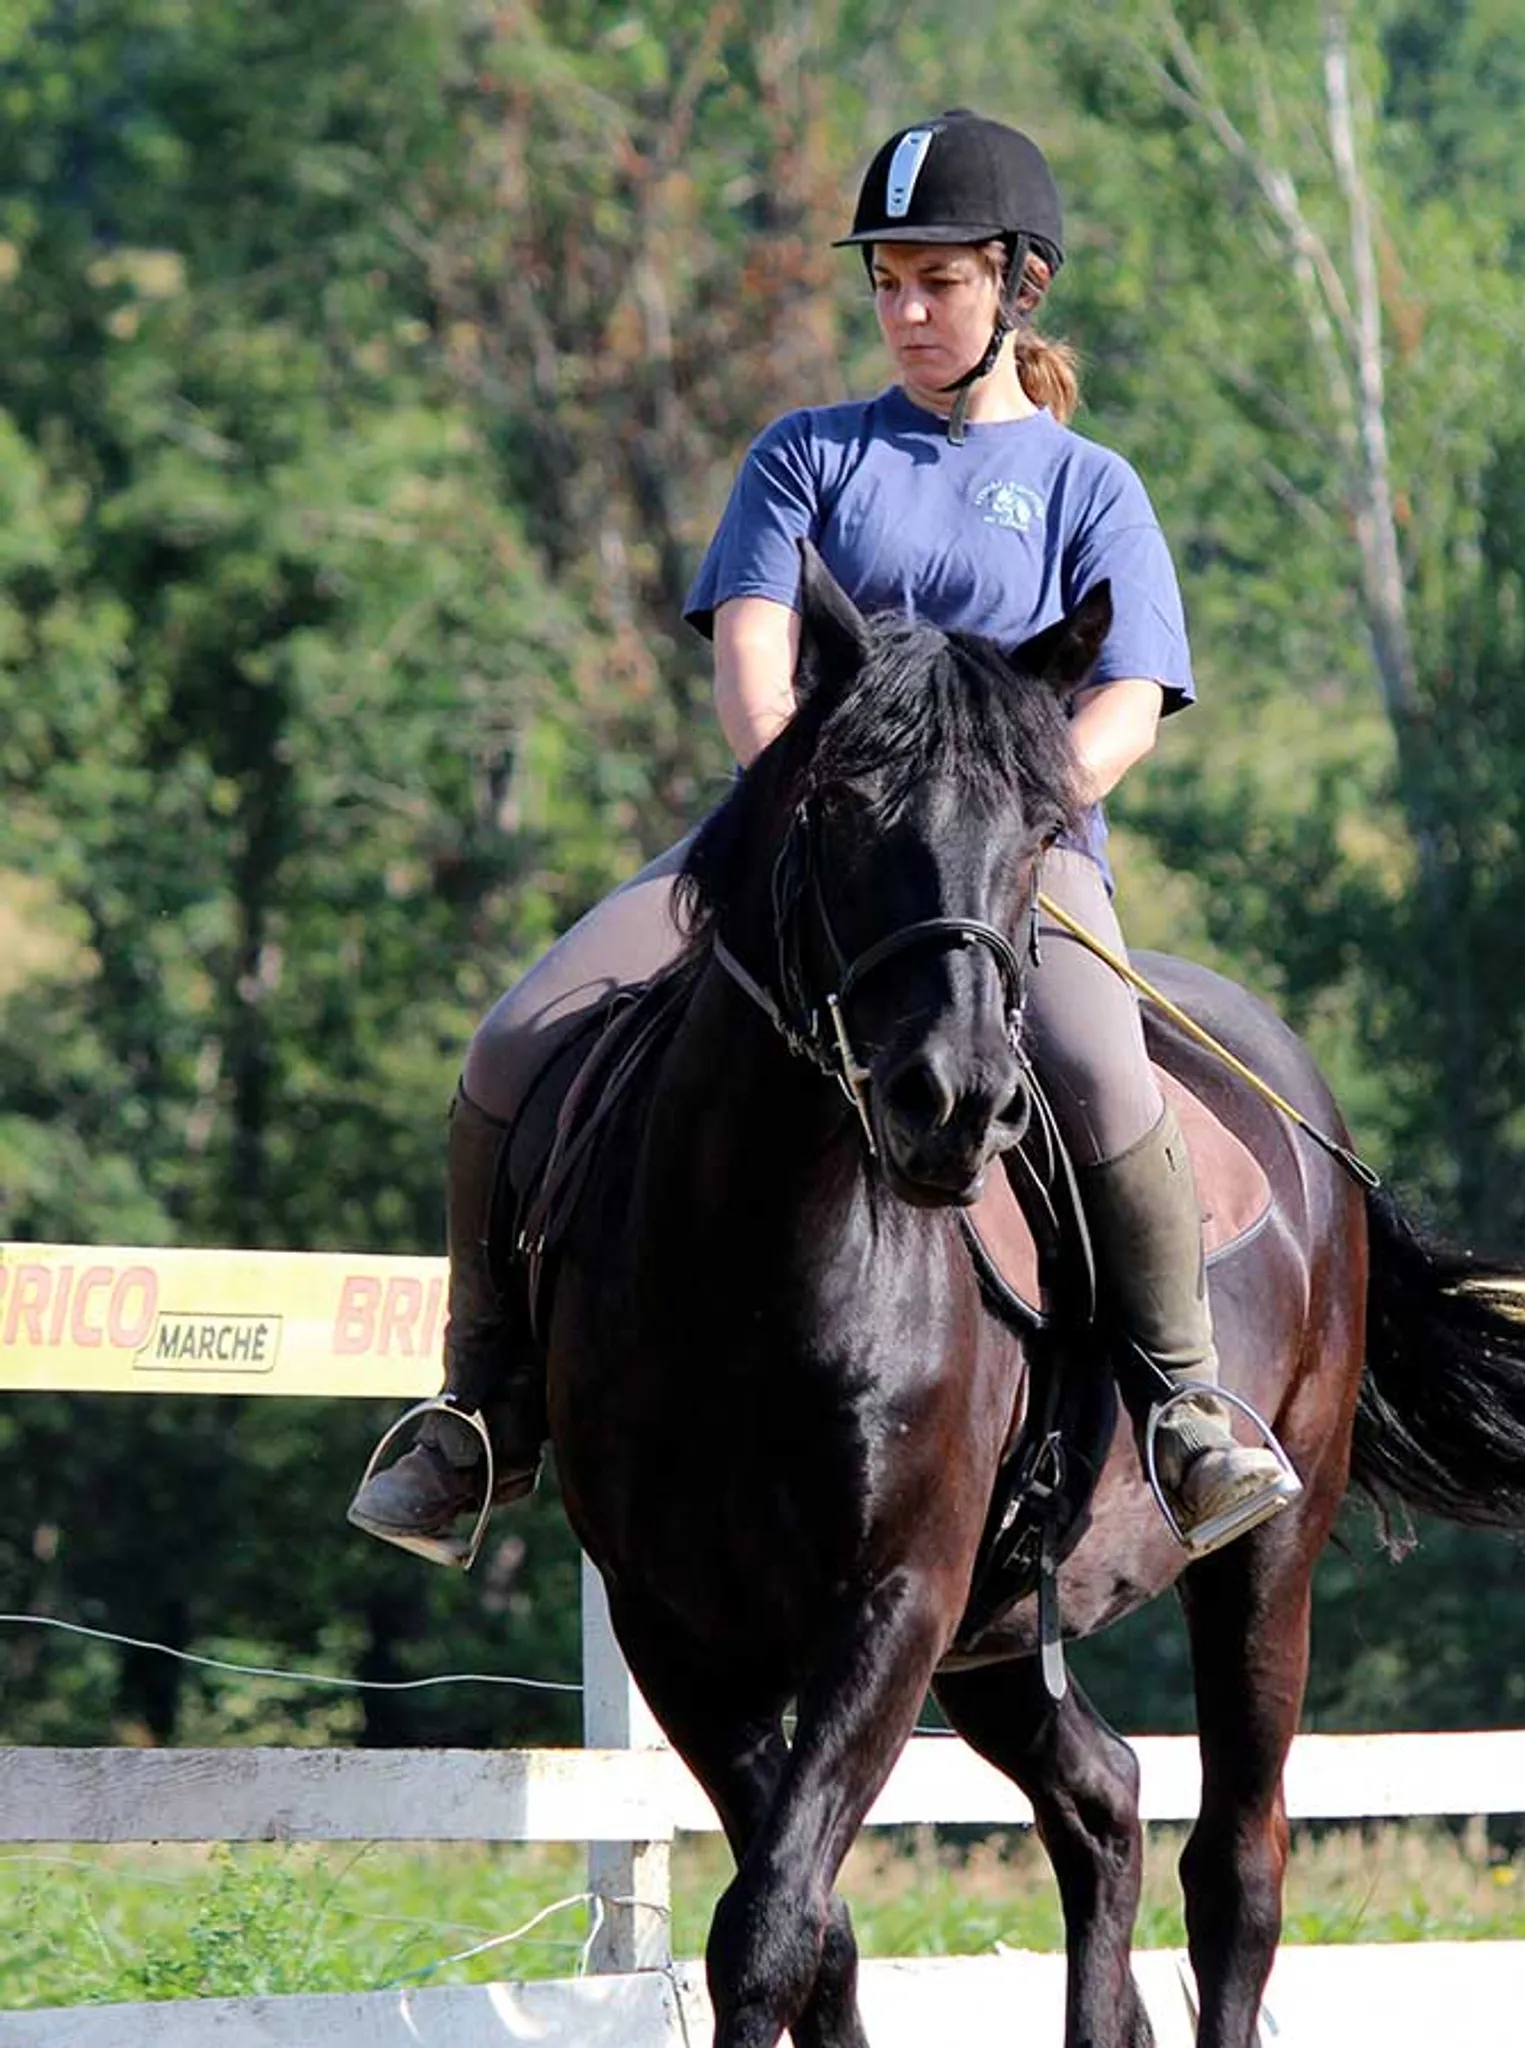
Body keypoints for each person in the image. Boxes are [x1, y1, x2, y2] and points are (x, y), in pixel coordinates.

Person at [347, 109, 1299, 1566]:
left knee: (1106, 1071)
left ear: (1018, 287)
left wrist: (1016, 806)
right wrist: (821, 807)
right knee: (510, 1039)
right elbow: (752, 668)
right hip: (796, 845)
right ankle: (479, 1411)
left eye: (941, 283)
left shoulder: (1087, 486)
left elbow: (1129, 705)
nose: (909, 313)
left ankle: (1183, 1410)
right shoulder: (806, 457)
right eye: (889, 286)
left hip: (1008, 868)